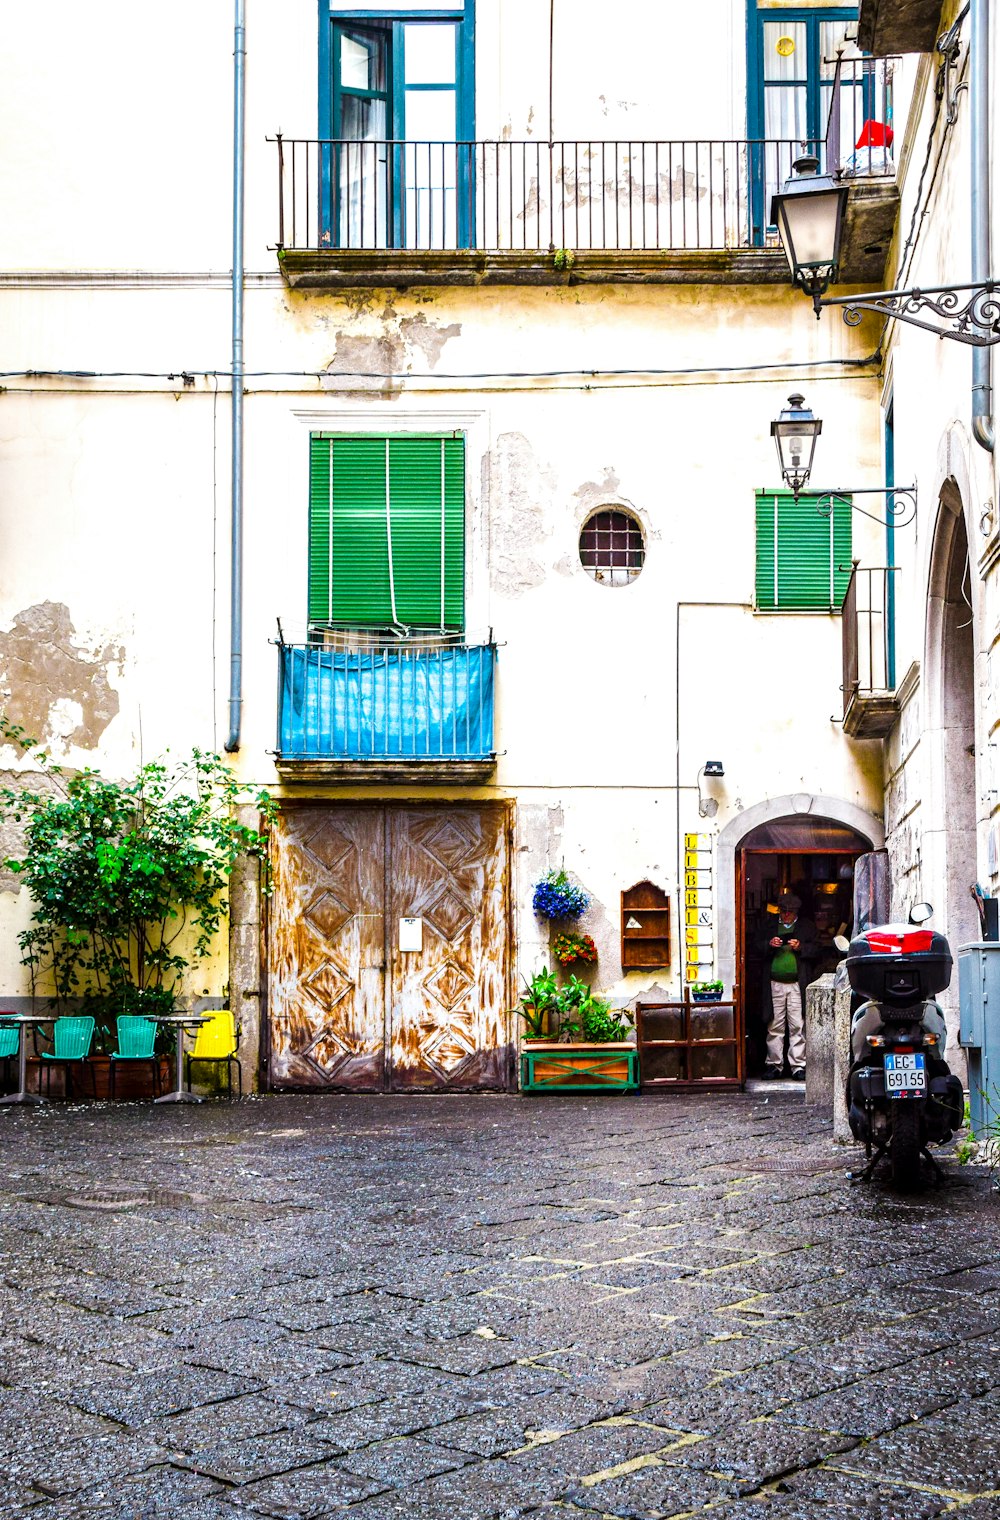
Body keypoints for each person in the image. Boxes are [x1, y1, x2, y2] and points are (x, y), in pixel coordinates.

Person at [759, 892, 816, 1080]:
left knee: (797, 1025)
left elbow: (818, 950)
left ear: (796, 912)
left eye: (789, 912)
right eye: (783, 912)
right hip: (774, 983)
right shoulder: (769, 926)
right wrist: (769, 944)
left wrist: (801, 947)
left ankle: (798, 1066)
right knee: (774, 1025)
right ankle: (774, 1065)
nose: (785, 916)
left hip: (796, 984)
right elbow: (755, 947)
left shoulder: (806, 927)